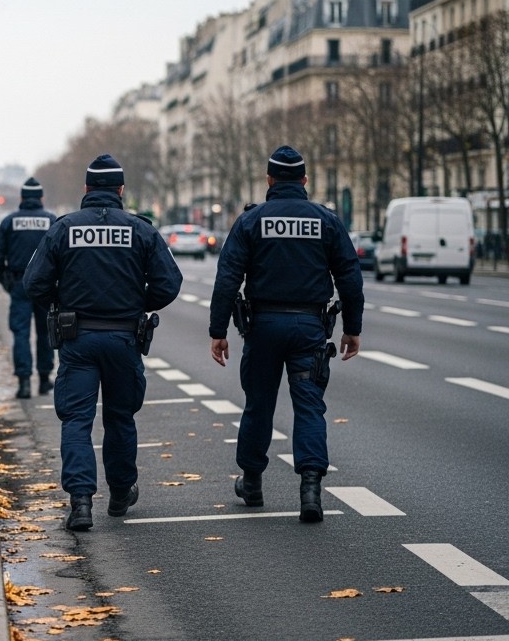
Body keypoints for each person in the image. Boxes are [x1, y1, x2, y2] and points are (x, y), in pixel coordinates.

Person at [23, 155, 183, 531]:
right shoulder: (140, 230)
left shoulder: (65, 229)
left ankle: (80, 503)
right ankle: (120, 493)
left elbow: (34, 283)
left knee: (77, 420)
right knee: (120, 416)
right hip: (124, 336)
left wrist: (62, 304)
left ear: (86, 190)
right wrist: (137, 304)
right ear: (121, 190)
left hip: (78, 338)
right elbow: (169, 283)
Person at [208, 145, 364, 523]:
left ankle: (252, 482)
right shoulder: (325, 220)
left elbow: (228, 278)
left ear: (269, 180)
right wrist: (353, 328)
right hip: (310, 328)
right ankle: (310, 490)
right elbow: (350, 277)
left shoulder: (251, 221)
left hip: (262, 327)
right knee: (309, 405)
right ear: (305, 181)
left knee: (258, 404)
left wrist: (218, 330)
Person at [0, 177, 59, 399]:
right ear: (41, 198)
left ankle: (24, 383)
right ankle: (44, 379)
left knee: (20, 333)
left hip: (19, 284)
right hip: (46, 286)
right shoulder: (51, 221)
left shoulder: (9, 221)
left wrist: (6, 283)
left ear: (21, 197)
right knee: (45, 333)